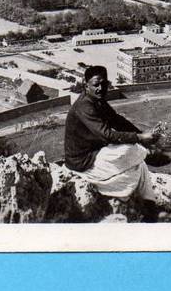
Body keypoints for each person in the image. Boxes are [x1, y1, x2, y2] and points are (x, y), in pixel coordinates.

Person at [64, 65, 159, 205]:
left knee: (140, 163)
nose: (100, 88)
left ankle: (149, 203)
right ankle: (126, 195)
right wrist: (140, 138)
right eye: (96, 85)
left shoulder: (97, 100)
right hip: (82, 162)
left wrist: (142, 135)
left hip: (95, 153)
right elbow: (107, 135)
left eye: (104, 84)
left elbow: (117, 120)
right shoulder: (84, 105)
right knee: (132, 150)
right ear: (86, 85)